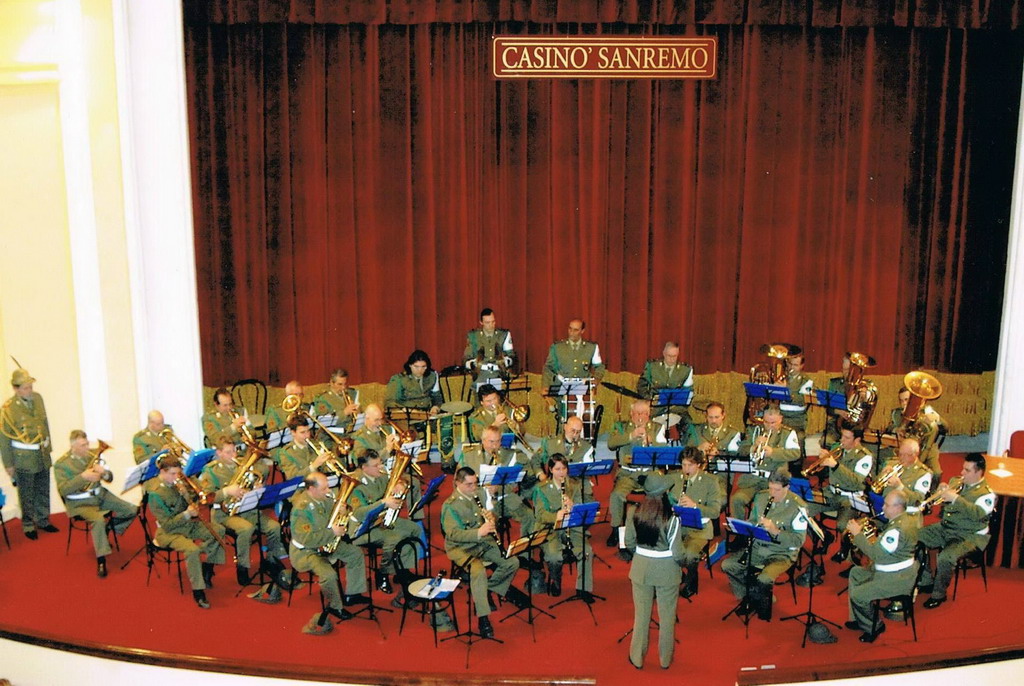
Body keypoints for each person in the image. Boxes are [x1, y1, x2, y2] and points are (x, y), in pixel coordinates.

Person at [441, 467, 527, 639]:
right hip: (460, 548)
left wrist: (491, 518)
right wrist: (479, 532)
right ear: (457, 483)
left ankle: (486, 590)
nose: (474, 487)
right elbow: (453, 534)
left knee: (512, 562)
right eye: (469, 484)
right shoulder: (450, 505)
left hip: (482, 542)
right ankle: (483, 617)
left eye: (475, 483)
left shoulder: (479, 494)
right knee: (478, 571)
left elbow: (492, 514)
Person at [199, 436, 286, 589]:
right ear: (219, 453)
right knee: (246, 529)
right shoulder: (211, 471)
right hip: (224, 514)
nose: (233, 455)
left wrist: (258, 487)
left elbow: (256, 480)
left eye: (234, 450)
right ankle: (243, 566)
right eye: (228, 452)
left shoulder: (243, 465)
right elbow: (207, 498)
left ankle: (271, 560)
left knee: (274, 527)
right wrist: (226, 491)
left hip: (247, 509)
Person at [722, 470, 808, 621]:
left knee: (764, 578)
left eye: (777, 490)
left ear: (787, 487)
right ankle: (749, 595)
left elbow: (798, 541)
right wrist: (738, 526)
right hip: (759, 547)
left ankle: (759, 598)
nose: (772, 493)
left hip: (782, 553)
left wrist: (776, 532)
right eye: (770, 488)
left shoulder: (798, 507)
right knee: (728, 565)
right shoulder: (761, 497)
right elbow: (753, 521)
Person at [289, 471, 369, 635]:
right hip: (307, 551)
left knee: (355, 554)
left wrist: (343, 511)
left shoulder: (323, 499)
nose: (329, 491)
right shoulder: (301, 509)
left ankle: (353, 593)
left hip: (326, 543)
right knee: (329, 575)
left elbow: (334, 516)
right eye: (324, 488)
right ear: (311, 489)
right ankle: (335, 606)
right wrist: (333, 532)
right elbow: (306, 539)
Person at [53, 430, 138, 577]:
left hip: (100, 495)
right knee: (98, 520)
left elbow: (110, 478)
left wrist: (104, 472)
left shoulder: (93, 454)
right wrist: (82, 477)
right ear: (73, 446)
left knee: (132, 509)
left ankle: (107, 530)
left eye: (87, 443)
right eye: (82, 445)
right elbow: (63, 490)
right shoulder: (61, 464)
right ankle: (101, 559)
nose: (87, 448)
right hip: (79, 502)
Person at [919, 453, 997, 609]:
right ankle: (927, 580)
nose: (962, 473)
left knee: (945, 558)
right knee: (914, 538)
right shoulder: (956, 481)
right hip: (947, 527)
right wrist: (941, 492)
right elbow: (945, 508)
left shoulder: (987, 494)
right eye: (963, 468)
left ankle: (939, 594)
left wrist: (955, 498)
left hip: (969, 535)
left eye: (967, 470)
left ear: (979, 472)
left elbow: (978, 514)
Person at [148, 455, 226, 608]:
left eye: (178, 473)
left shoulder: (177, 482)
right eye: (172, 474)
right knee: (192, 550)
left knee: (219, 530)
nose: (176, 477)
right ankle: (198, 591)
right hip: (169, 532)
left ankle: (206, 569)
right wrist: (187, 514)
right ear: (162, 472)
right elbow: (167, 525)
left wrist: (188, 495)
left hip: (187, 525)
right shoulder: (155, 493)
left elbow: (196, 501)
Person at [624, 473, 684, 670]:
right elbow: (678, 553)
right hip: (666, 571)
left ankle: (637, 657)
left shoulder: (633, 512)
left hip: (640, 568)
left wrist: (641, 555)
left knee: (641, 616)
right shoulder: (672, 519)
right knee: (667, 618)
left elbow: (629, 542)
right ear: (665, 493)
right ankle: (665, 659)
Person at [845, 489, 919, 642]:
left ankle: (874, 626)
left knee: (858, 595)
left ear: (898, 508)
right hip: (891, 568)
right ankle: (857, 618)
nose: (883, 507)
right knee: (855, 573)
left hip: (896, 578)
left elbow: (875, 555)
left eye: (886, 505)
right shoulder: (904, 519)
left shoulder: (896, 530)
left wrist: (858, 534)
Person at [348, 450, 422, 595]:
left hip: (381, 520)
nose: (381, 467)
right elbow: (358, 513)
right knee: (394, 539)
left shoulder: (379, 476)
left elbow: (399, 480)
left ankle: (403, 570)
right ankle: (383, 572)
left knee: (415, 529)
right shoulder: (356, 484)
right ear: (364, 468)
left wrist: (401, 484)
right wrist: (383, 503)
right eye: (376, 465)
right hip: (363, 528)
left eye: (380, 463)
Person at [0, 367, 57, 539]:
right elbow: (4, 439)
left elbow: (44, 424)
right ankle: (28, 524)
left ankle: (43, 520)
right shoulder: (8, 409)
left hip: (41, 453)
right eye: (25, 388)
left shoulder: (38, 398)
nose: (30, 390)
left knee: (43, 489)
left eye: (30, 387)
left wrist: (48, 449)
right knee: (27, 494)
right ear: (16, 389)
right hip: (23, 458)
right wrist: (9, 464)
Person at [606, 399, 663, 560]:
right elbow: (611, 444)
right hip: (628, 473)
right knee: (616, 494)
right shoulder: (621, 427)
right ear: (631, 414)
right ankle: (616, 528)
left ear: (649, 414)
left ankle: (658, 528)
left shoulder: (657, 428)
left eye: (644, 413)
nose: (640, 417)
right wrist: (631, 436)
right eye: (637, 413)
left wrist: (651, 442)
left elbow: (665, 449)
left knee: (662, 492)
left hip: (650, 473)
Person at [808, 427, 873, 562]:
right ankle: (824, 536)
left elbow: (856, 482)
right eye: (842, 436)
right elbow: (824, 475)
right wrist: (822, 462)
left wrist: (835, 465)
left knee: (843, 525)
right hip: (831, 493)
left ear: (857, 440)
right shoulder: (838, 449)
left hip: (850, 497)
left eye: (846, 438)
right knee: (803, 509)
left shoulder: (865, 457)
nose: (842, 440)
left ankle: (845, 550)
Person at [532, 454, 592, 598]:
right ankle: (556, 580)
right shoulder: (541, 488)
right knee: (554, 557)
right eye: (557, 469)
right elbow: (540, 515)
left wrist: (573, 506)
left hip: (571, 527)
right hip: (549, 529)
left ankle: (583, 588)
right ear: (550, 470)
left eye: (564, 469)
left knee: (586, 551)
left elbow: (582, 510)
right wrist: (556, 516)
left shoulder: (574, 485)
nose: (561, 473)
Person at [458, 425, 535, 535]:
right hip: (479, 499)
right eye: (491, 442)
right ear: (483, 440)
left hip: (504, 497)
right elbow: (460, 482)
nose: (495, 445)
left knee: (529, 516)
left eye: (498, 441)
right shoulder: (469, 456)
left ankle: (525, 545)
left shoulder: (510, 454)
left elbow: (513, 481)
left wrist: (498, 488)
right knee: (488, 523)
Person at [670, 447, 724, 598]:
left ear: (699, 465)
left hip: (700, 529)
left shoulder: (710, 481)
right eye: (683, 464)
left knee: (690, 554)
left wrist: (695, 505)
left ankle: (692, 581)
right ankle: (675, 575)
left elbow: (715, 511)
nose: (686, 469)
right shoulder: (675, 478)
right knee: (664, 548)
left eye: (690, 465)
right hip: (678, 526)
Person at [731, 409, 799, 519]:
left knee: (764, 503)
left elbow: (796, 453)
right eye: (766, 422)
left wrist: (773, 453)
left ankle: (761, 526)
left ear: (780, 419)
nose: (769, 426)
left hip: (773, 481)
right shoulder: (754, 430)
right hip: (752, 479)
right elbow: (741, 450)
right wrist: (753, 446)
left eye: (773, 422)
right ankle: (740, 527)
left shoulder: (788, 433)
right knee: (737, 499)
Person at [541, 319, 606, 423]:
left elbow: (599, 367)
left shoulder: (591, 347)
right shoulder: (557, 347)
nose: (571, 332)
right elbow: (548, 367)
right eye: (570, 329)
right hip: (562, 389)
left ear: (582, 331)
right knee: (564, 420)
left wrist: (596, 379)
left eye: (576, 330)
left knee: (584, 419)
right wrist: (545, 386)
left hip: (583, 390)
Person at [636, 341, 694, 438]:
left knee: (689, 425)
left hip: (676, 408)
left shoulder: (685, 370)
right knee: (645, 424)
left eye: (674, 356)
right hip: (655, 408)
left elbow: (689, 392)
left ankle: (685, 446)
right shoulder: (652, 366)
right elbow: (641, 386)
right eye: (669, 356)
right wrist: (649, 399)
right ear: (663, 353)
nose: (672, 359)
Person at [686, 401, 741, 499]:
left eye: (717, 417)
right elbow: (686, 453)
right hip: (698, 473)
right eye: (710, 417)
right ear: (706, 416)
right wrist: (698, 449)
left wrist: (718, 453)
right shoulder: (697, 430)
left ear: (723, 415)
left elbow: (735, 456)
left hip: (720, 475)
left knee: (720, 499)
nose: (714, 421)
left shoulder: (732, 433)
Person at [463, 308, 515, 386]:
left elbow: (511, 356)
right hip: (480, 376)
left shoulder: (503, 335)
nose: (491, 325)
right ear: (481, 322)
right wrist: (473, 364)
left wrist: (505, 361)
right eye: (487, 322)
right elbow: (466, 359)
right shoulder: (473, 336)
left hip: (499, 375)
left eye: (493, 322)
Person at [385, 350, 443, 416]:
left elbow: (437, 397)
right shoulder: (399, 379)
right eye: (416, 366)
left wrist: (435, 407)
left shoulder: (432, 376)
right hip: (407, 416)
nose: (420, 370)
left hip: (428, 414)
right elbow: (389, 403)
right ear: (410, 365)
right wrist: (406, 410)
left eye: (423, 367)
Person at [312, 368, 361, 435]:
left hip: (353, 432)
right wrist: (344, 413)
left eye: (345, 384)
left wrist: (358, 412)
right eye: (340, 384)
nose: (343, 387)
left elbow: (360, 414)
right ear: (331, 383)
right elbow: (323, 422)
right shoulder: (322, 398)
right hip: (333, 435)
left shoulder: (352, 393)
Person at [780, 353, 814, 448]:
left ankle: (798, 457)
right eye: (790, 364)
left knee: (797, 437)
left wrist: (785, 391)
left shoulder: (806, 381)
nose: (792, 367)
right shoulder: (783, 377)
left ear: (802, 366)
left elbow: (802, 400)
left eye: (795, 365)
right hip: (780, 417)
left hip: (796, 420)